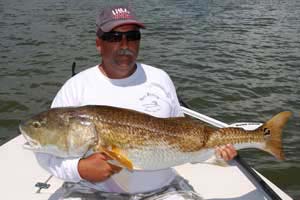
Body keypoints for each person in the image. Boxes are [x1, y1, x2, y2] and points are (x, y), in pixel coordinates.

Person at [35, 4, 237, 199]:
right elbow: (45, 156)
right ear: (99, 43)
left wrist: (216, 154)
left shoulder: (160, 78)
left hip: (163, 189)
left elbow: (183, 135)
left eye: (132, 36)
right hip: (89, 190)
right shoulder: (75, 87)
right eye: (114, 37)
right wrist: (79, 169)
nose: (124, 45)